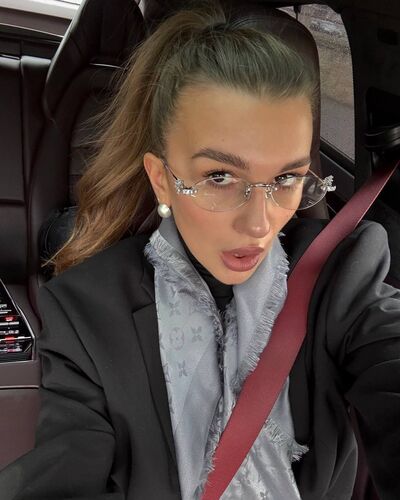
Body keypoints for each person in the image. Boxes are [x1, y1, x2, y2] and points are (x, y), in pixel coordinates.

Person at [1, 2, 399, 500]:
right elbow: (64, 470)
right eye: (220, 177)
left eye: (286, 178)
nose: (260, 223)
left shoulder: (338, 277)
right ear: (162, 179)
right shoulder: (85, 312)